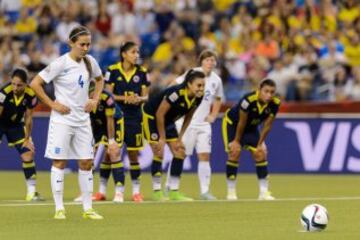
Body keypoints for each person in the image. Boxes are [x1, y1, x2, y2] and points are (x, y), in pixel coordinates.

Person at [30, 26, 104, 220]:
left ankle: (87, 209)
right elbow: (35, 84)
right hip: (62, 120)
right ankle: (59, 208)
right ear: (71, 43)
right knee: (60, 162)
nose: (86, 48)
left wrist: (95, 99)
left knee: (87, 162)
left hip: (83, 120)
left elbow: (100, 79)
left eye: (88, 44)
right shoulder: (60, 63)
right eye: (82, 44)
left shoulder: (90, 62)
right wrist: (53, 104)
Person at [166, 49, 224, 200]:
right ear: (201, 61)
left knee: (204, 156)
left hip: (204, 124)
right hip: (186, 122)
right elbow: (174, 84)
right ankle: (169, 186)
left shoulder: (217, 80)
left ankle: (205, 191)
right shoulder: (192, 74)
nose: (210, 63)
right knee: (180, 154)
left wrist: (213, 115)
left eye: (212, 60)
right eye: (207, 60)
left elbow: (218, 98)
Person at [143, 69, 205, 201]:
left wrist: (180, 138)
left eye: (203, 85)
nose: (201, 88)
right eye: (199, 85)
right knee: (159, 152)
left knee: (180, 152)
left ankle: (174, 192)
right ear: (189, 84)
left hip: (168, 120)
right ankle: (157, 192)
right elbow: (159, 114)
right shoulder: (175, 93)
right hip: (152, 117)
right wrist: (162, 138)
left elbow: (189, 116)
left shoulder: (198, 97)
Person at [104, 41, 150, 202]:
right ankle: (105, 191)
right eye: (133, 52)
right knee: (110, 153)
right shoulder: (112, 70)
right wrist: (125, 98)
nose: (136, 55)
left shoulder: (142, 72)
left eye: (137, 52)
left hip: (134, 117)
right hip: (116, 117)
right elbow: (107, 95)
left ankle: (136, 191)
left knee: (133, 154)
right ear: (124, 54)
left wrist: (139, 99)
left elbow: (146, 96)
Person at [222, 79, 280, 200]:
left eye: (272, 92)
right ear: (259, 90)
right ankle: (231, 193)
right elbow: (242, 122)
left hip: (251, 127)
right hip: (233, 124)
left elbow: (267, 125)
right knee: (235, 152)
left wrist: (260, 144)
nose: (269, 95)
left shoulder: (275, 103)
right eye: (266, 91)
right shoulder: (248, 100)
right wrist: (237, 141)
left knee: (261, 153)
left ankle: (264, 193)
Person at [74, 83, 125, 203]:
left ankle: (119, 192)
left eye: (91, 94)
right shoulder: (81, 99)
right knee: (88, 156)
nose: (89, 97)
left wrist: (111, 141)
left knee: (113, 152)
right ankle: (88, 193)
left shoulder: (106, 98)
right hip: (96, 125)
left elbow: (110, 120)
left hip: (114, 123)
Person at [0, 68, 44, 201]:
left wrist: (27, 139)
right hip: (0, 123)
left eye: (19, 85)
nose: (15, 87)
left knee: (28, 152)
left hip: (16, 126)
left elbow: (29, 118)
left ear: (26, 84)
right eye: (13, 84)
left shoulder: (31, 94)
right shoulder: (4, 92)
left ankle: (31, 193)